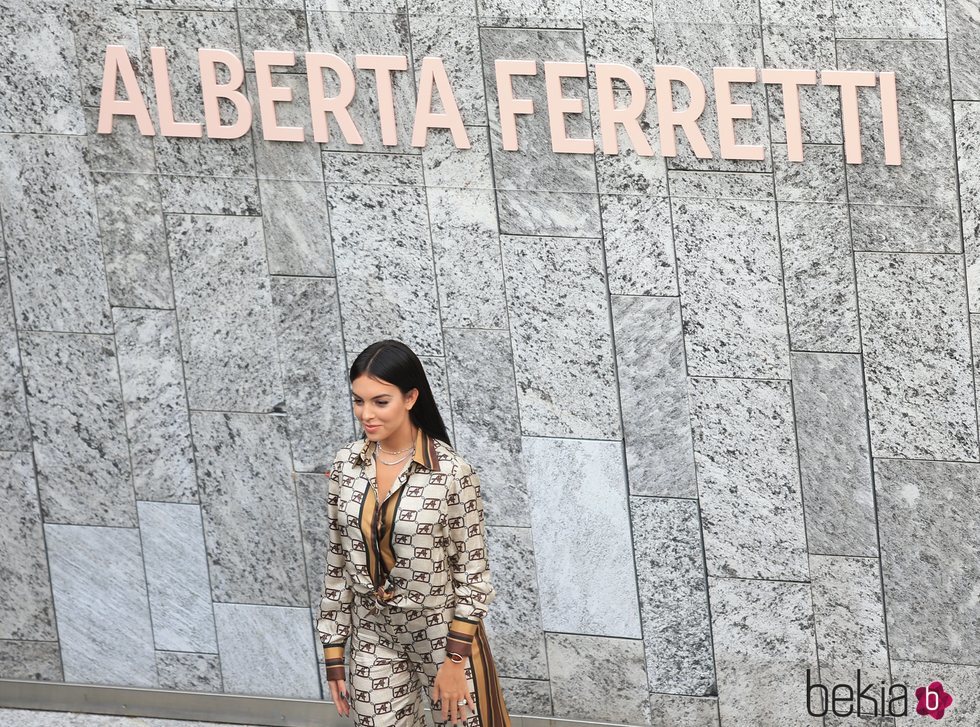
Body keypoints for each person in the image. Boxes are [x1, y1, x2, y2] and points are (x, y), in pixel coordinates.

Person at [316, 339, 512, 727]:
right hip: (373, 633)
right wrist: (334, 649)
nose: (366, 414)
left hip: (442, 634)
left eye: (380, 401)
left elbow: (473, 576)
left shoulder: (451, 472)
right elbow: (338, 561)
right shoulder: (345, 466)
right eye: (359, 401)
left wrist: (455, 660)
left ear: (410, 398)